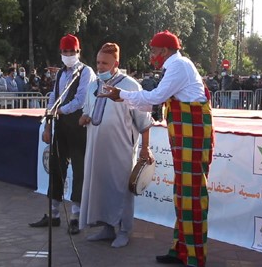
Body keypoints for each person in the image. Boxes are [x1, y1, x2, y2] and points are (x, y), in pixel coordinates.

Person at [100, 30, 214, 267]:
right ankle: (181, 250)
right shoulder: (176, 65)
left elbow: (155, 97)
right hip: (185, 136)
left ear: (164, 51)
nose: (152, 55)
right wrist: (122, 97)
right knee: (183, 192)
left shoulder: (178, 66)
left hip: (192, 136)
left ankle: (195, 257)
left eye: (153, 51)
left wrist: (121, 95)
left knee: (191, 193)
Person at [78, 43, 154, 248]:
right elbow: (89, 110)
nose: (100, 67)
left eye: (105, 63)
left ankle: (124, 230)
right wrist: (85, 116)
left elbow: (144, 122)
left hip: (121, 150)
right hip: (96, 149)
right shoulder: (93, 85)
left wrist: (145, 149)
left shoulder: (130, 86)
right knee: (101, 187)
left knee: (121, 189)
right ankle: (106, 228)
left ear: (116, 64)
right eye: (98, 63)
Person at [29, 34, 96, 235]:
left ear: (78, 52)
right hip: (60, 126)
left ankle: (76, 216)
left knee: (78, 170)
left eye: (71, 52)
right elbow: (53, 98)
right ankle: (54, 214)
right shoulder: (60, 74)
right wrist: (48, 124)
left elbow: (81, 100)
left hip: (78, 126)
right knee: (57, 168)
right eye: (65, 52)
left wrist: (61, 111)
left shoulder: (86, 72)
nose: (68, 55)